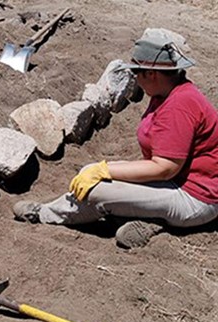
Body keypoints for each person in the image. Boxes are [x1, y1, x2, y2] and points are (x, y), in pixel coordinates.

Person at [13, 32, 218, 249]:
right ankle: (148, 216)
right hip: (174, 182)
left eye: (137, 72)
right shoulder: (165, 93)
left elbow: (165, 168)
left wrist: (105, 170)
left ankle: (44, 214)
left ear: (151, 74)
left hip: (195, 198)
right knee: (97, 176)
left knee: (96, 191)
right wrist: (97, 168)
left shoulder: (179, 106)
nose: (136, 78)